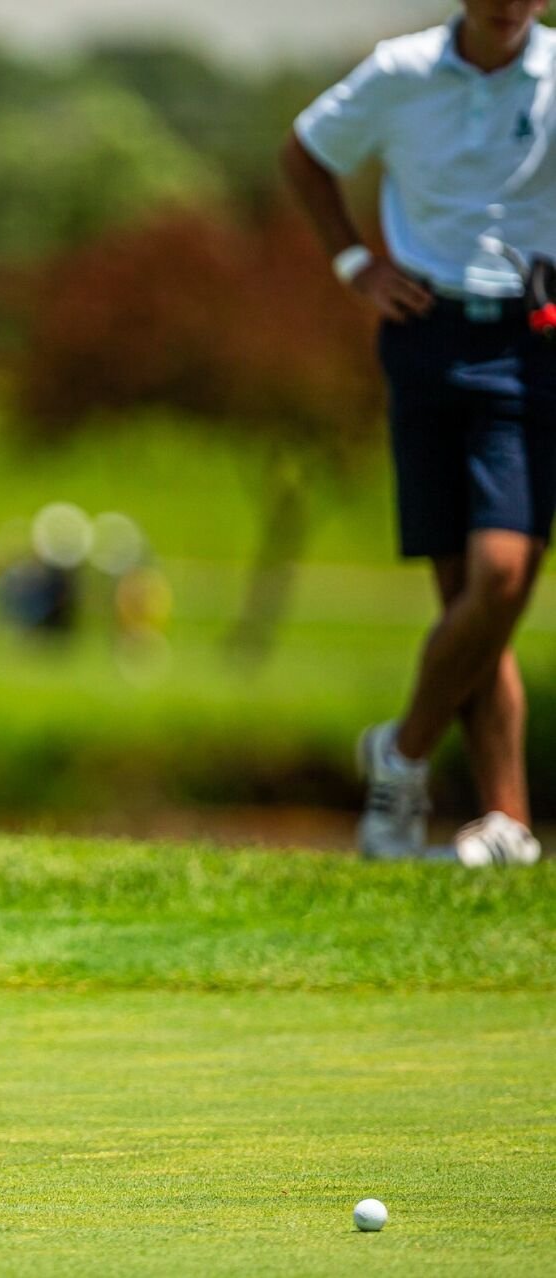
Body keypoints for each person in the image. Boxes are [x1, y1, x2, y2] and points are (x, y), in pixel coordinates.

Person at [283, 0, 553, 866]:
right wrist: (355, 262)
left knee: (503, 577)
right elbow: (306, 155)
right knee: (468, 608)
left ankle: (399, 753)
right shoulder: (400, 71)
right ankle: (507, 823)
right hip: (428, 336)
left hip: (532, 339)